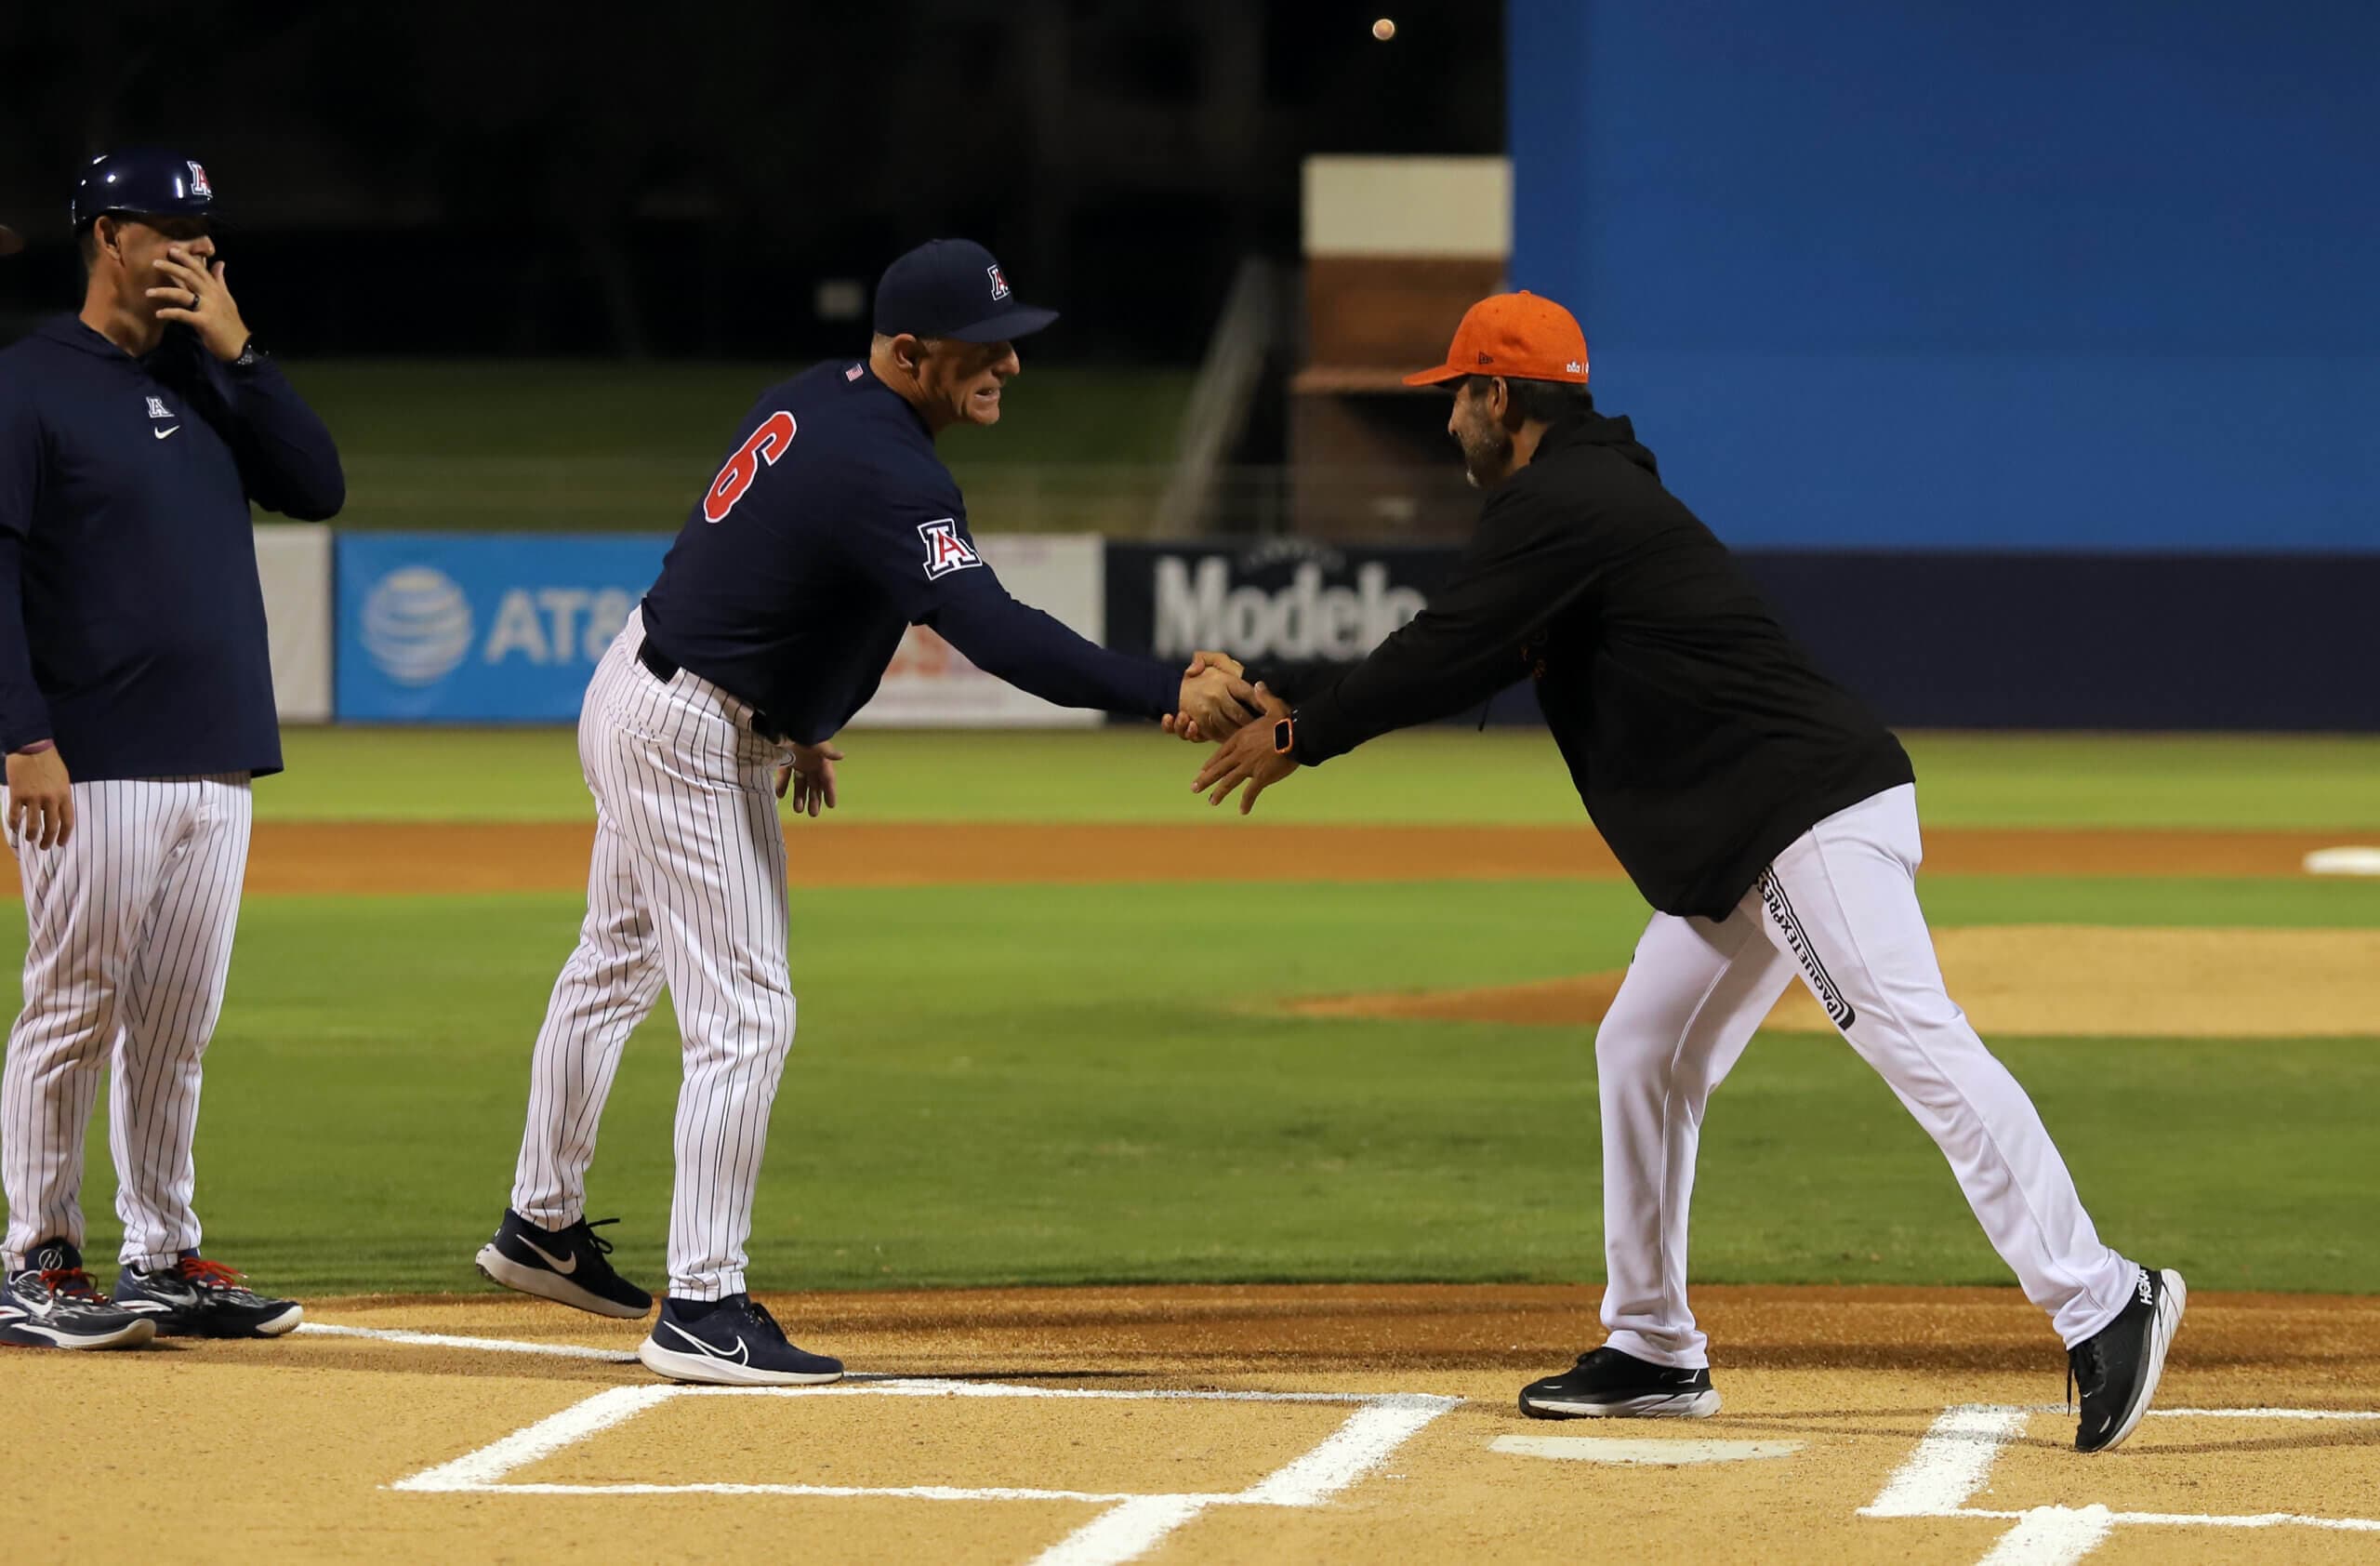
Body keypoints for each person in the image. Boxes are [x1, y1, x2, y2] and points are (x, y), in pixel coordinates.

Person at [1190, 291, 2184, 1454]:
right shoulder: (1582, 498)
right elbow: (1460, 648)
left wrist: (1302, 732)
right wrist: (1294, 699)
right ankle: (1654, 1345)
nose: (1447, 416)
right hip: (1746, 835)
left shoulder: (1564, 501)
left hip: (1801, 813)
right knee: (1643, 1049)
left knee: (1913, 1039)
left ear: (1499, 397)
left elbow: (1443, 645)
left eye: (1456, 393)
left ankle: (2103, 1295)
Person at [476, 238, 1256, 1387]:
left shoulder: (817, 397)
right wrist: (1159, 689)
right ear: (911, 353)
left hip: (646, 686)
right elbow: (991, 629)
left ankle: (541, 1224)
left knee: (615, 961)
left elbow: (750, 554)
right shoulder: (891, 468)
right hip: (690, 734)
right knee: (746, 1015)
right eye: (984, 347)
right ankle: (702, 1306)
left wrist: (795, 718)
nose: (1008, 364)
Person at [0, 150, 343, 1350]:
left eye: (205, 230)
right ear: (108, 236)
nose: (196, 247)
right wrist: (21, 736)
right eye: (169, 228)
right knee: (72, 1011)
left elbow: (317, 483)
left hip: (216, 756)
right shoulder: (29, 384)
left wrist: (242, 355)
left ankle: (161, 1254)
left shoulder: (208, 379)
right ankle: (38, 1258)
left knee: (175, 1028)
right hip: (91, 758)